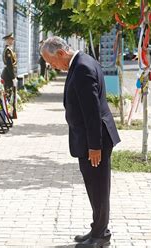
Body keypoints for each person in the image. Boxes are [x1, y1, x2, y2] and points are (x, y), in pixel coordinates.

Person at [40, 36, 121, 247]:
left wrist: (95, 146)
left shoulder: (82, 68)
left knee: (99, 188)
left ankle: (101, 235)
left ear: (60, 53)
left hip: (95, 142)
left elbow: (92, 112)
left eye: (51, 62)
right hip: (90, 139)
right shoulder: (82, 61)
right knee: (95, 187)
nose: (53, 67)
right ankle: (97, 228)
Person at [1, 32, 18, 118]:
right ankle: (7, 113)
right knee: (8, 94)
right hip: (8, 75)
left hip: (8, 74)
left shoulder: (9, 50)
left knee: (10, 94)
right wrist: (13, 77)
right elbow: (9, 65)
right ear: (7, 40)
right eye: (11, 39)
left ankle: (9, 112)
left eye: (12, 39)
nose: (12, 41)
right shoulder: (8, 50)